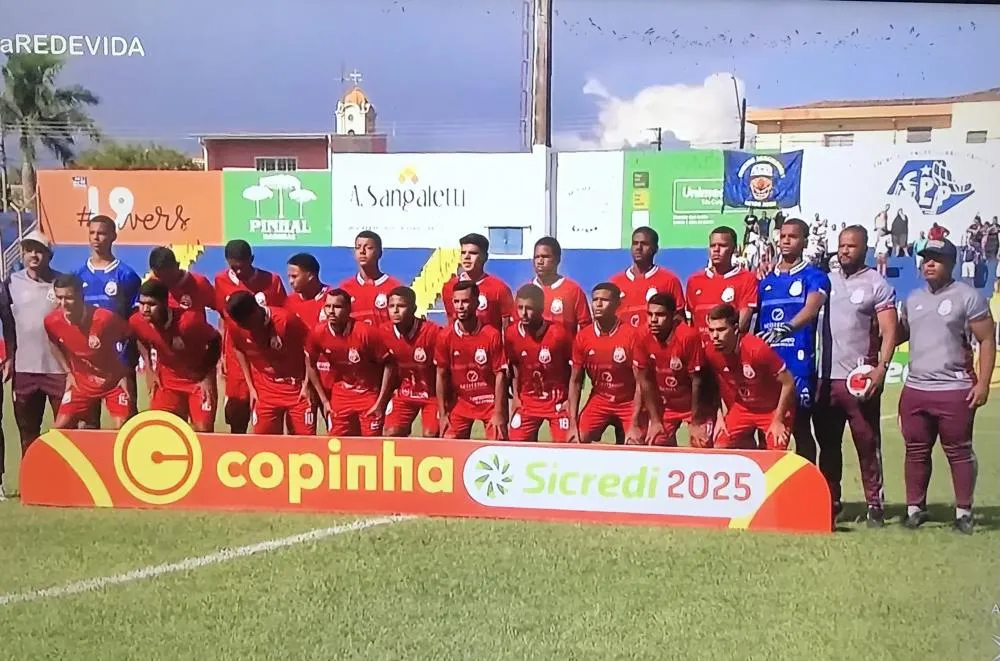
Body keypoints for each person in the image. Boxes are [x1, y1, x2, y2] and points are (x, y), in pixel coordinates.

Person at [897, 238, 995, 534]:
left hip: (955, 389)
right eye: (926, 258)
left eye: (936, 258)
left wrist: (984, 384)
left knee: (959, 452)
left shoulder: (968, 297)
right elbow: (900, 334)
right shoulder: (912, 299)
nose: (929, 263)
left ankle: (963, 511)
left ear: (950, 263)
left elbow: (987, 340)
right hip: (915, 388)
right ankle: (915, 508)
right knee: (915, 451)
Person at [814, 226, 898, 527]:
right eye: (841, 246)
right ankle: (830, 500)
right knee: (828, 445)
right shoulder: (824, 281)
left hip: (859, 381)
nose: (844, 251)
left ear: (865, 249)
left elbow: (890, 331)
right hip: (825, 379)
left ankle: (875, 503)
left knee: (866, 443)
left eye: (851, 246)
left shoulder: (877, 283)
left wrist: (881, 368)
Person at [757, 218, 830, 460]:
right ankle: (768, 488)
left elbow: (811, 309)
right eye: (783, 236)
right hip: (768, 370)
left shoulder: (815, 277)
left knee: (801, 429)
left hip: (798, 366)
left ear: (804, 242)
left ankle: (805, 488)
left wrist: (786, 328)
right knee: (765, 430)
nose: (786, 240)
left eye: (793, 236)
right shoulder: (765, 282)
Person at [0, 231, 65, 497]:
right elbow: (8, 324)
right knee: (28, 432)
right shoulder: (10, 284)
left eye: (39, 251)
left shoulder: (61, 283)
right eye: (28, 250)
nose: (33, 256)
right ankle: (32, 485)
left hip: (58, 371)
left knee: (65, 431)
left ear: (49, 255)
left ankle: (66, 483)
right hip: (25, 371)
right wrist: (10, 356)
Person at [214, 240, 287, 433]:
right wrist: (222, 354)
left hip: (263, 355)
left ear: (251, 260)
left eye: (241, 267)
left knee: (264, 411)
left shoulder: (272, 281)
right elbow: (223, 318)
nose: (237, 272)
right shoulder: (221, 280)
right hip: (236, 353)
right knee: (236, 410)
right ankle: (237, 453)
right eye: (232, 267)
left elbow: (280, 314)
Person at [74, 215, 142, 424]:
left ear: (113, 236)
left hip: (119, 362)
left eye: (102, 233)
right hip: (88, 363)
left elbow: (135, 320)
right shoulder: (78, 276)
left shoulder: (126, 275)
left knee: (125, 423)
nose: (96, 238)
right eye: (92, 233)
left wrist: (131, 356)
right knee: (87, 424)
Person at [129, 279, 221, 432]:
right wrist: (149, 368)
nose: (145, 309)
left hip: (197, 382)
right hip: (168, 381)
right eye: (142, 303)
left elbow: (215, 340)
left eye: (151, 304)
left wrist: (205, 377)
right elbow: (140, 338)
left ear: (165, 303)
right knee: (159, 429)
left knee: (203, 431)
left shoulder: (189, 321)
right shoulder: (137, 321)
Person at [43, 274, 132, 430]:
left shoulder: (104, 318)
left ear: (81, 296)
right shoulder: (52, 321)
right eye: (59, 298)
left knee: (122, 429)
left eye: (69, 298)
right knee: (58, 429)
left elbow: (129, 337)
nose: (64, 303)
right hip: (81, 383)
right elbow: (53, 343)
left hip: (113, 382)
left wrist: (124, 373)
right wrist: (68, 372)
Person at [566, 282, 651, 445]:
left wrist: (634, 422)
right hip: (600, 399)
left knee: (635, 442)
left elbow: (641, 381)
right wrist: (572, 423)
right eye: (595, 299)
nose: (598, 304)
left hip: (629, 400)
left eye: (604, 300)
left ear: (617, 305)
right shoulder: (583, 337)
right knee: (577, 439)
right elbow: (575, 381)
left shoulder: (632, 335)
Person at [704, 304, 796, 450]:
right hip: (744, 408)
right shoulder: (711, 351)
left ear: (735, 329)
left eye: (721, 330)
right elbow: (716, 383)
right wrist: (720, 416)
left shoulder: (756, 349)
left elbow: (789, 382)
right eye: (711, 330)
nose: (715, 336)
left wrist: (778, 420)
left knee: (776, 447)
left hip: (771, 409)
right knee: (720, 444)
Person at [306, 288, 393, 437]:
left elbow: (389, 364)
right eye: (328, 306)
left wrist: (381, 401)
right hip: (342, 393)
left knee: (371, 444)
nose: (331, 311)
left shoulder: (365, 333)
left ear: (348, 309)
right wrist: (325, 401)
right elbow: (310, 362)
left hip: (369, 393)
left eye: (337, 307)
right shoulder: (318, 333)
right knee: (336, 442)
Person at [226, 291, 315, 435]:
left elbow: (310, 351)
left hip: (297, 389)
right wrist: (251, 387)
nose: (246, 328)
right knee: (264, 445)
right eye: (241, 325)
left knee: (304, 445)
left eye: (247, 323)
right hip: (265, 391)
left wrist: (307, 385)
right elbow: (239, 348)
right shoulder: (236, 326)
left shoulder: (286, 320)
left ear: (256, 310)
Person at [434, 280, 508, 439]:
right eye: (457, 301)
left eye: (465, 301)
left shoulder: (491, 334)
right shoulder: (445, 336)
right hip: (461, 403)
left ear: (476, 302)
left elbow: (500, 375)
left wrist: (498, 412)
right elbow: (441, 374)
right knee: (448, 440)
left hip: (488, 401)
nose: (460, 306)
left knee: (498, 438)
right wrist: (443, 413)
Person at [504, 284, 573, 442]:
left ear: (541, 308)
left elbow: (574, 369)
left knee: (567, 445)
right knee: (515, 443)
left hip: (557, 403)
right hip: (527, 403)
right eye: (520, 308)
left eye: (529, 308)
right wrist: (516, 397)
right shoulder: (511, 334)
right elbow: (514, 366)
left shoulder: (559, 333)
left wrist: (569, 400)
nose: (523, 314)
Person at [639, 293, 708, 447]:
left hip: (693, 405)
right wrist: (655, 420)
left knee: (701, 443)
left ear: (673, 317)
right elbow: (645, 380)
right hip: (668, 406)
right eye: (650, 315)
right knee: (655, 442)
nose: (653, 320)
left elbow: (697, 381)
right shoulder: (642, 335)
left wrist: (696, 423)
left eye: (660, 315)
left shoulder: (688, 336)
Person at [380, 286, 442, 437]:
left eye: (401, 306)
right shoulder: (383, 332)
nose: (395, 311)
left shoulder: (432, 332)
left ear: (413, 308)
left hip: (432, 394)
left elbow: (444, 369)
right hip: (405, 393)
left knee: (431, 434)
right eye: (391, 306)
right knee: (390, 433)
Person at [686, 226, 758, 338]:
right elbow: (691, 320)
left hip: (729, 350)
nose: (716, 249)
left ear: (734, 249)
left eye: (722, 245)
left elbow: (743, 322)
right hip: (700, 351)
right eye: (712, 245)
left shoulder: (747, 278)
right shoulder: (694, 280)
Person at [609, 226, 685, 328]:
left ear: (655, 249)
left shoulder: (669, 280)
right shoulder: (615, 282)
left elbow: (679, 319)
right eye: (635, 243)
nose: (638, 248)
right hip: (624, 343)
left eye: (644, 244)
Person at [441, 233, 514, 331]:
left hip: (488, 345)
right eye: (463, 252)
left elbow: (507, 329)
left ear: (485, 257)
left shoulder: (500, 289)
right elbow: (451, 324)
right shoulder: (449, 287)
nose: (466, 257)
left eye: (473, 253)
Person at [339, 231, 403, 326]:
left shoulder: (394, 287)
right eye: (358, 247)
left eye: (368, 248)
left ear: (379, 253)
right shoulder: (345, 288)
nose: (362, 251)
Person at [530, 236, 592, 334]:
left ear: (557, 260)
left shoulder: (573, 290)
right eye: (537, 257)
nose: (540, 261)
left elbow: (586, 329)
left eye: (545, 257)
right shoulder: (526, 291)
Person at [148, 247, 215, 317]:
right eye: (159, 276)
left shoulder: (199, 283)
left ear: (176, 266)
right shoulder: (152, 288)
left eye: (167, 277)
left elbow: (222, 307)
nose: (163, 281)